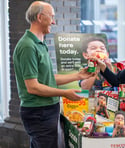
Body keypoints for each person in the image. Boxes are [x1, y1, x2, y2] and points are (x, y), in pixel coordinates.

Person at [13, 1, 94, 148]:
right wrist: (64, 93)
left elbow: (49, 79)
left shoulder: (39, 44)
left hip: (45, 111)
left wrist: (78, 76)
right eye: (52, 17)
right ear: (39, 17)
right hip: (39, 113)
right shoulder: (28, 46)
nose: (54, 21)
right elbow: (33, 87)